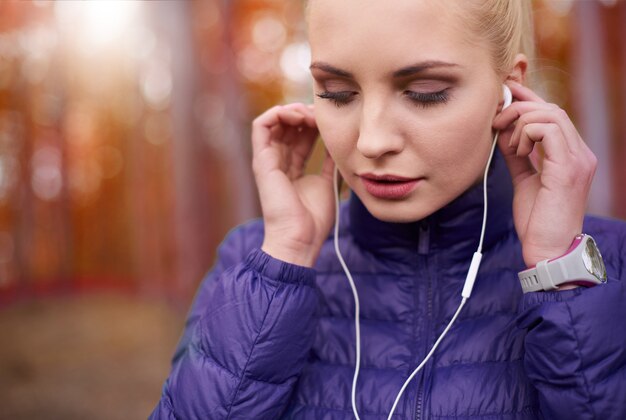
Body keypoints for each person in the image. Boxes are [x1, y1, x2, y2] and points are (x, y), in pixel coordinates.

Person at [150, 0, 626, 418]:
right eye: (338, 93)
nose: (371, 141)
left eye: (425, 92)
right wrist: (285, 260)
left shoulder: (608, 265)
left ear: (509, 92)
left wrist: (559, 274)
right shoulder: (255, 262)